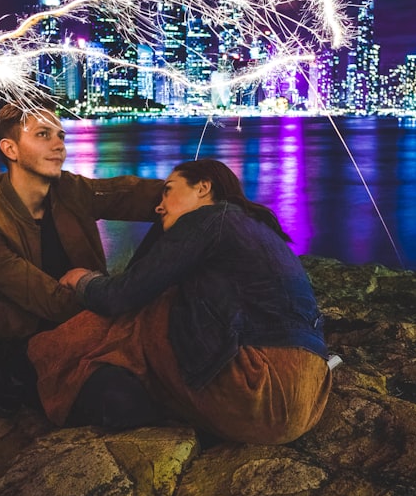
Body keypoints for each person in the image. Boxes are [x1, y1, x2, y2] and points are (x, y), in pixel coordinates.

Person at [33, 159, 333, 444]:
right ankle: (94, 377)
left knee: (153, 307)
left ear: (203, 188)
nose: (159, 205)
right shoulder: (258, 227)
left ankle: (49, 360)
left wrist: (82, 279)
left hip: (258, 389)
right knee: (162, 303)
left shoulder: (211, 218)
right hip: (310, 397)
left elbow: (123, 295)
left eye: (169, 189)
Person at [0, 98, 163, 415]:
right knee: (126, 400)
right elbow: (52, 303)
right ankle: (6, 383)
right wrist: (117, 298)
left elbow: (130, 195)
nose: (59, 146)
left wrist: (197, 190)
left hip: (88, 322)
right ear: (10, 149)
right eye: (43, 135)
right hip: (30, 344)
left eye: (60, 136)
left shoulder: (67, 190)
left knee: (182, 215)